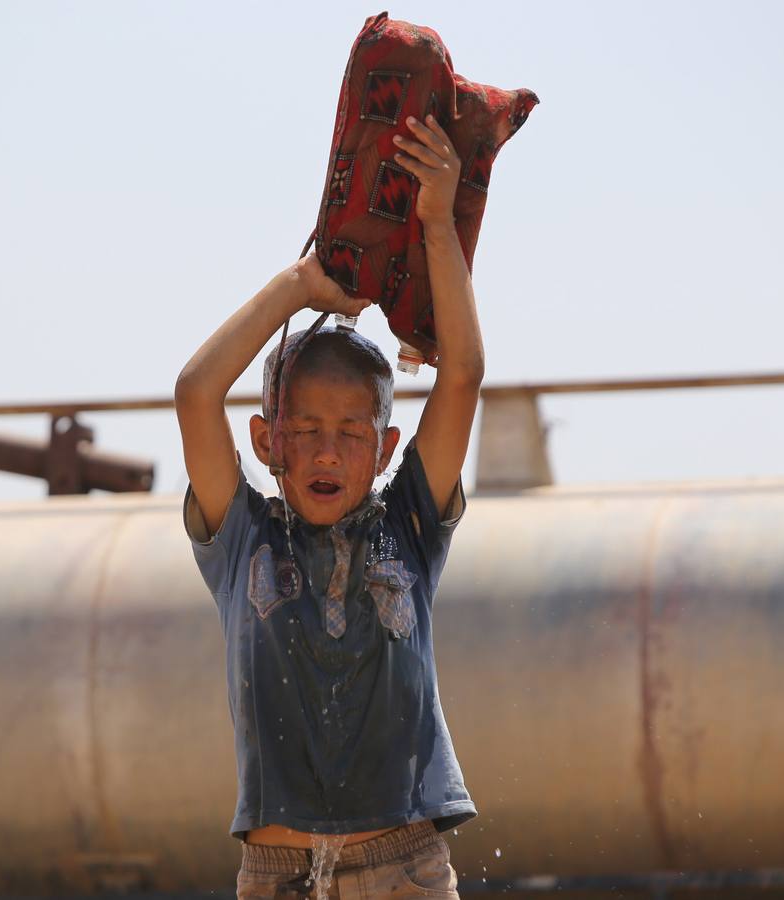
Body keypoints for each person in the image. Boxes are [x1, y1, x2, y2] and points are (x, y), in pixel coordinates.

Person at [175, 114, 481, 899]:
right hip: (278, 876)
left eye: (351, 433)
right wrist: (301, 287)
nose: (324, 451)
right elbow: (194, 392)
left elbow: (461, 377)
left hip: (404, 866)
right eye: (304, 429)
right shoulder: (242, 540)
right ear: (267, 439)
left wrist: (438, 225)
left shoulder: (409, 527)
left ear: (385, 450)